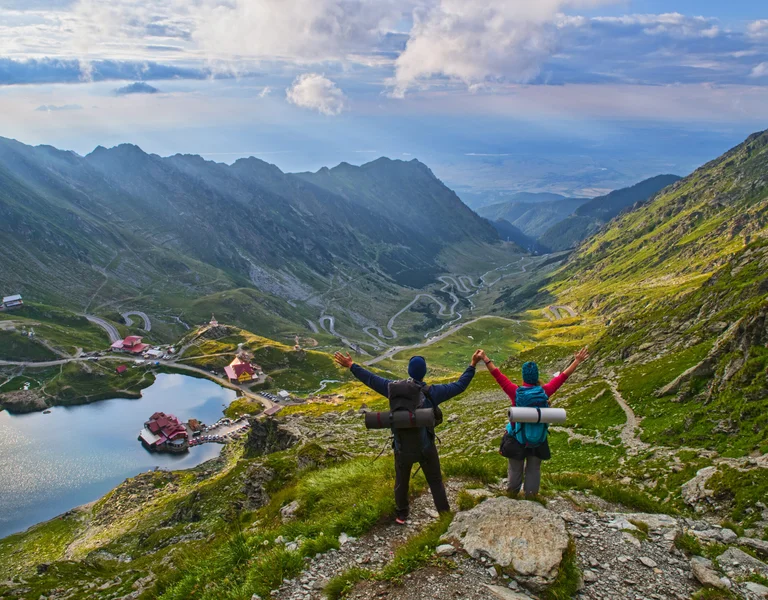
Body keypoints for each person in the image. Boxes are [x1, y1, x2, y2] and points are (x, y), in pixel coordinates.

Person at [333, 350, 483, 524]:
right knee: (435, 481)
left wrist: (351, 365)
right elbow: (460, 386)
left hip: (401, 447)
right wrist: (472, 365)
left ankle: (401, 514)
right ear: (424, 372)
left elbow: (371, 379)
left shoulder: (392, 388)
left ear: (409, 371)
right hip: (426, 447)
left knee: (401, 481)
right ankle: (444, 515)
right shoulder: (432, 392)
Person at [479, 347, 589, 498]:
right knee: (534, 469)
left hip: (517, 438)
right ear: (536, 376)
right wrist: (577, 361)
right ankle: (531, 496)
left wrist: (485, 358)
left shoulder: (515, 392)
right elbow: (563, 377)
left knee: (515, 469)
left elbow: (498, 375)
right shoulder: (544, 391)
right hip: (539, 439)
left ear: (523, 376)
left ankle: (512, 495)